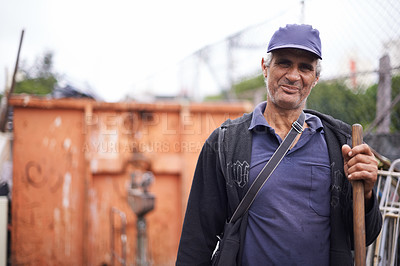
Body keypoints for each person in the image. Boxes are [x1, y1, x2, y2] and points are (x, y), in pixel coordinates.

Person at [176, 24, 382, 266]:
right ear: (265, 67)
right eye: (284, 63)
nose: (293, 75)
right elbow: (197, 239)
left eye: (305, 67)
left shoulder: (341, 144)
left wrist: (367, 193)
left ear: (315, 78)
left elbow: (364, 236)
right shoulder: (225, 143)